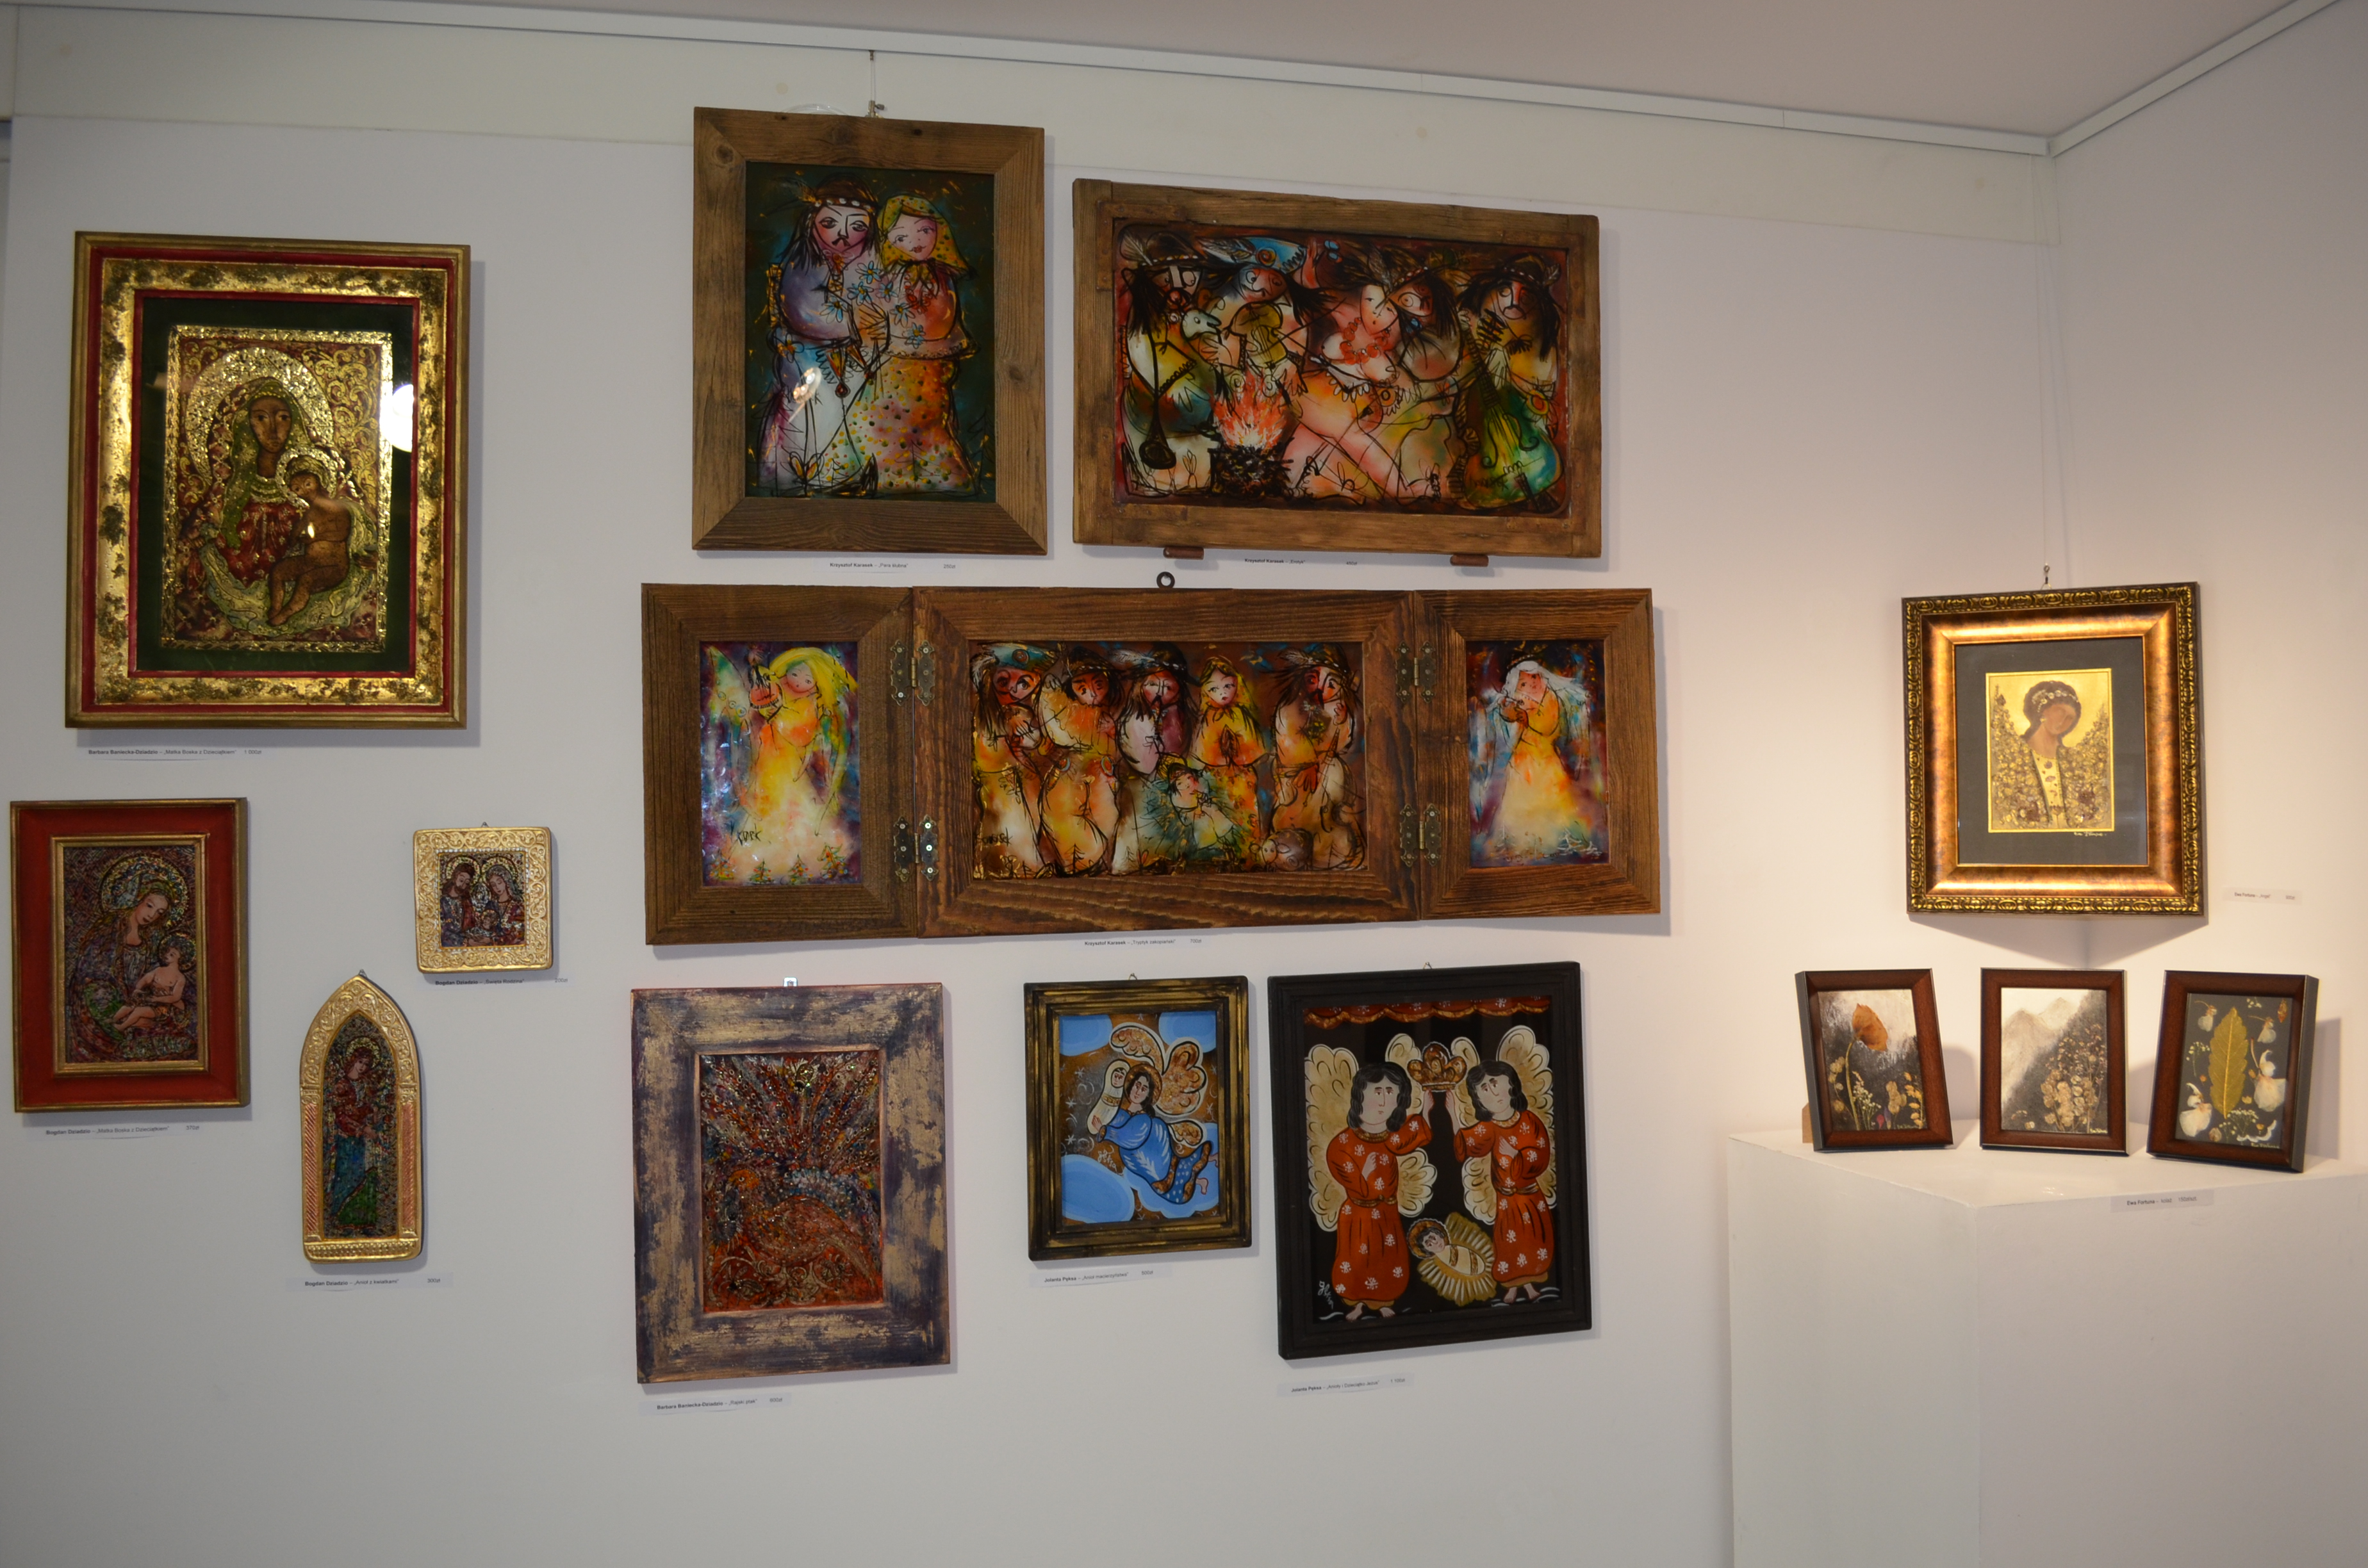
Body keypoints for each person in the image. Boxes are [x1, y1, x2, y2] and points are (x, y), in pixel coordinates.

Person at [756, 179, 878, 495]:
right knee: (812, 410)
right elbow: (804, 311)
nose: (843, 234)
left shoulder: (872, 263)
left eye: (857, 226)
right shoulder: (802, 262)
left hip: (857, 359)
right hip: (807, 355)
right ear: (813, 222)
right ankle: (802, 478)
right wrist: (856, 324)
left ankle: (848, 475)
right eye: (830, 223)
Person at [847, 195, 976, 493]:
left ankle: (941, 482)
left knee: (927, 425)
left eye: (924, 231)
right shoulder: (889, 275)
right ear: (889, 241)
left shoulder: (941, 277)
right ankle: (891, 479)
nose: (915, 243)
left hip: (929, 367)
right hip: (891, 365)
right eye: (902, 237)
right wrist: (874, 336)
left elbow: (942, 320)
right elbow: (868, 311)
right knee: (878, 422)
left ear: (939, 231)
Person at [721, 647, 858, 883]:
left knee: (790, 807)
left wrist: (777, 717)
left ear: (816, 685)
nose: (798, 681)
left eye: (807, 680)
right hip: (767, 762)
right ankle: (761, 858)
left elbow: (801, 734)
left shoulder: (811, 706)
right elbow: (760, 695)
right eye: (794, 674)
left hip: (788, 766)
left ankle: (796, 858)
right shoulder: (777, 690)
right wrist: (755, 667)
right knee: (764, 805)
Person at [1324, 1059, 1434, 1321]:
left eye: (1391, 1093)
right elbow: (1340, 1167)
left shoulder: (1389, 1138)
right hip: (1358, 1215)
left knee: (1387, 1258)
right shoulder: (1344, 1142)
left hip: (1386, 1213)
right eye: (1377, 1091)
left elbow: (1410, 1136)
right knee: (1356, 1258)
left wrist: (1426, 1111)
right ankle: (1357, 1303)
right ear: (1360, 1096)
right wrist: (1363, 1174)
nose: (1384, 1101)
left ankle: (1384, 1300)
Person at [1472, 655, 1600, 867]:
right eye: (1523, 683)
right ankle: (1521, 842)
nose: (1531, 684)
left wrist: (1526, 716)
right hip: (1522, 760)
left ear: (1542, 676)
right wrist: (1509, 712)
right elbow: (1506, 720)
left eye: (1534, 678)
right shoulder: (1520, 701)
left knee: (1551, 800)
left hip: (1546, 761)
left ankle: (1551, 842)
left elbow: (1549, 727)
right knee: (1519, 799)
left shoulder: (1551, 698)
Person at [1455, 257, 1562, 508]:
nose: (1513, 301)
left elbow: (1540, 389)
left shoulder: (1539, 343)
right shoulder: (1480, 321)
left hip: (1527, 437)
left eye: (1525, 296)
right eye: (1505, 290)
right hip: (1489, 444)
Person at [1455, 1062, 1554, 1302]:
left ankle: (1531, 1285)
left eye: (1495, 1083)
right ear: (1479, 1100)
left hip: (1530, 1198)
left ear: (1511, 1084)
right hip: (1506, 1202)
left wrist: (1517, 1155)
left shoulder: (1530, 1121)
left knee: (1532, 1241)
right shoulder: (1490, 1127)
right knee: (1509, 1243)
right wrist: (1452, 1114)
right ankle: (1511, 1286)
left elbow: (1541, 1155)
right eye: (1484, 1089)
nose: (1493, 1092)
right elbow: (1468, 1143)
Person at [1270, 652, 1362, 870]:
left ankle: (1330, 853)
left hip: (1328, 769)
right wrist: (1309, 762)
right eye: (1313, 680)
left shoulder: (1338, 707)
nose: (1321, 689)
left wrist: (1340, 722)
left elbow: (1342, 745)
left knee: (1332, 800)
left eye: (1331, 684)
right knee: (1296, 812)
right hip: (1297, 770)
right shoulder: (1291, 706)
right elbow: (1287, 743)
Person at [1990, 678, 2111, 830]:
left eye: (2070, 718)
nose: (2063, 720)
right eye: (2060, 712)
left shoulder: (2074, 762)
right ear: (2042, 711)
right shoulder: (2014, 756)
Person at [1037, 651, 1119, 874]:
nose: (1091, 693)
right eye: (1082, 688)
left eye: (1098, 685)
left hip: (1101, 777)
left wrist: (1114, 731)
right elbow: (1048, 743)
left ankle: (1088, 868)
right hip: (1070, 776)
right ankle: (1071, 868)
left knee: (1103, 825)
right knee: (1061, 819)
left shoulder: (1113, 716)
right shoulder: (1065, 714)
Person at [1088, 1066, 1214, 1207]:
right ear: (1131, 1086)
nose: (1138, 1092)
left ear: (1148, 1094)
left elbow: (1129, 1138)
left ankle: (1196, 1177)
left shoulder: (1144, 1120)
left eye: (1143, 1089)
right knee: (1181, 1174)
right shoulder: (1122, 1114)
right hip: (1155, 1173)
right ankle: (1198, 1179)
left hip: (1161, 1171)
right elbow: (1111, 1119)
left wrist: (1104, 1131)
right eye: (1137, 1086)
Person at [973, 651, 1051, 878]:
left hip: (1029, 787)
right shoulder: (987, 719)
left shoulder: (1036, 714)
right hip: (1000, 791)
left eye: (1024, 683)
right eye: (1004, 682)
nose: (1013, 691)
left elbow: (1037, 745)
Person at [263, 452, 356, 626]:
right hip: (311, 561)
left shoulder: (338, 508)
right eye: (297, 488)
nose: (305, 490)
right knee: (278, 571)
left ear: (319, 481)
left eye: (308, 484)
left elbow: (342, 534)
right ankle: (275, 608)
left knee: (307, 580)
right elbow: (296, 534)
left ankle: (285, 615)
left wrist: (315, 538)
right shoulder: (309, 513)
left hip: (333, 566)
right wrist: (295, 537)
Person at [1187, 656, 1267, 840]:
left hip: (1242, 777)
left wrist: (1236, 753)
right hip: (1216, 778)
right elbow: (1202, 753)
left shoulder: (1241, 715)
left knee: (1246, 816)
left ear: (1236, 684)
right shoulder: (1209, 718)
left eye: (1228, 686)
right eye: (1214, 689)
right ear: (1206, 691)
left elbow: (1253, 749)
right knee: (1221, 818)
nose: (1222, 693)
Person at [439, 860, 482, 947]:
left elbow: (470, 926)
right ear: (455, 877)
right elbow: (442, 931)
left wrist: (473, 936)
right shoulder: (443, 902)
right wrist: (465, 941)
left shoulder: (466, 902)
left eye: (467, 883)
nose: (462, 886)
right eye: (461, 880)